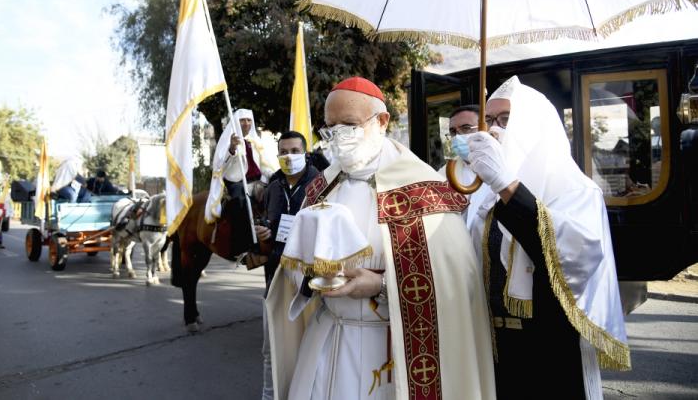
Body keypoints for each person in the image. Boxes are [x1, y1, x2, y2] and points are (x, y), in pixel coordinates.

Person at [266, 77, 495, 399]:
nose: (338, 137)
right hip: (327, 337)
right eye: (331, 127)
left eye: (349, 124)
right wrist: (310, 275)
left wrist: (381, 285)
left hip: (392, 349)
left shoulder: (422, 189)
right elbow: (293, 266)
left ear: (382, 121)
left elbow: (457, 283)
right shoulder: (322, 188)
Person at [464, 76, 630, 399]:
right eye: (489, 120)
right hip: (492, 349)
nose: (494, 129)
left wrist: (508, 187)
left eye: (505, 120)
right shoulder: (481, 194)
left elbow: (571, 258)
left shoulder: (576, 190)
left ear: (532, 126)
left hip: (550, 349)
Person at [253, 130, 321, 400]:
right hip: (276, 278)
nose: (288, 156)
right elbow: (273, 224)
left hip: (312, 281)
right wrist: (265, 231)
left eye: (294, 151)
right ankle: (270, 395)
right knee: (272, 347)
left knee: (311, 345)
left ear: (305, 153)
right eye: (283, 151)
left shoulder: (321, 184)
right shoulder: (272, 187)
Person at [205, 108, 279, 225]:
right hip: (238, 183)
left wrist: (274, 175)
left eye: (249, 120)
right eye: (242, 120)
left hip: (258, 182)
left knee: (277, 192)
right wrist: (232, 149)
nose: (246, 123)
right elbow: (221, 167)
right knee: (240, 202)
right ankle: (241, 238)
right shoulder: (228, 142)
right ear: (236, 123)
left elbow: (263, 166)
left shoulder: (254, 142)